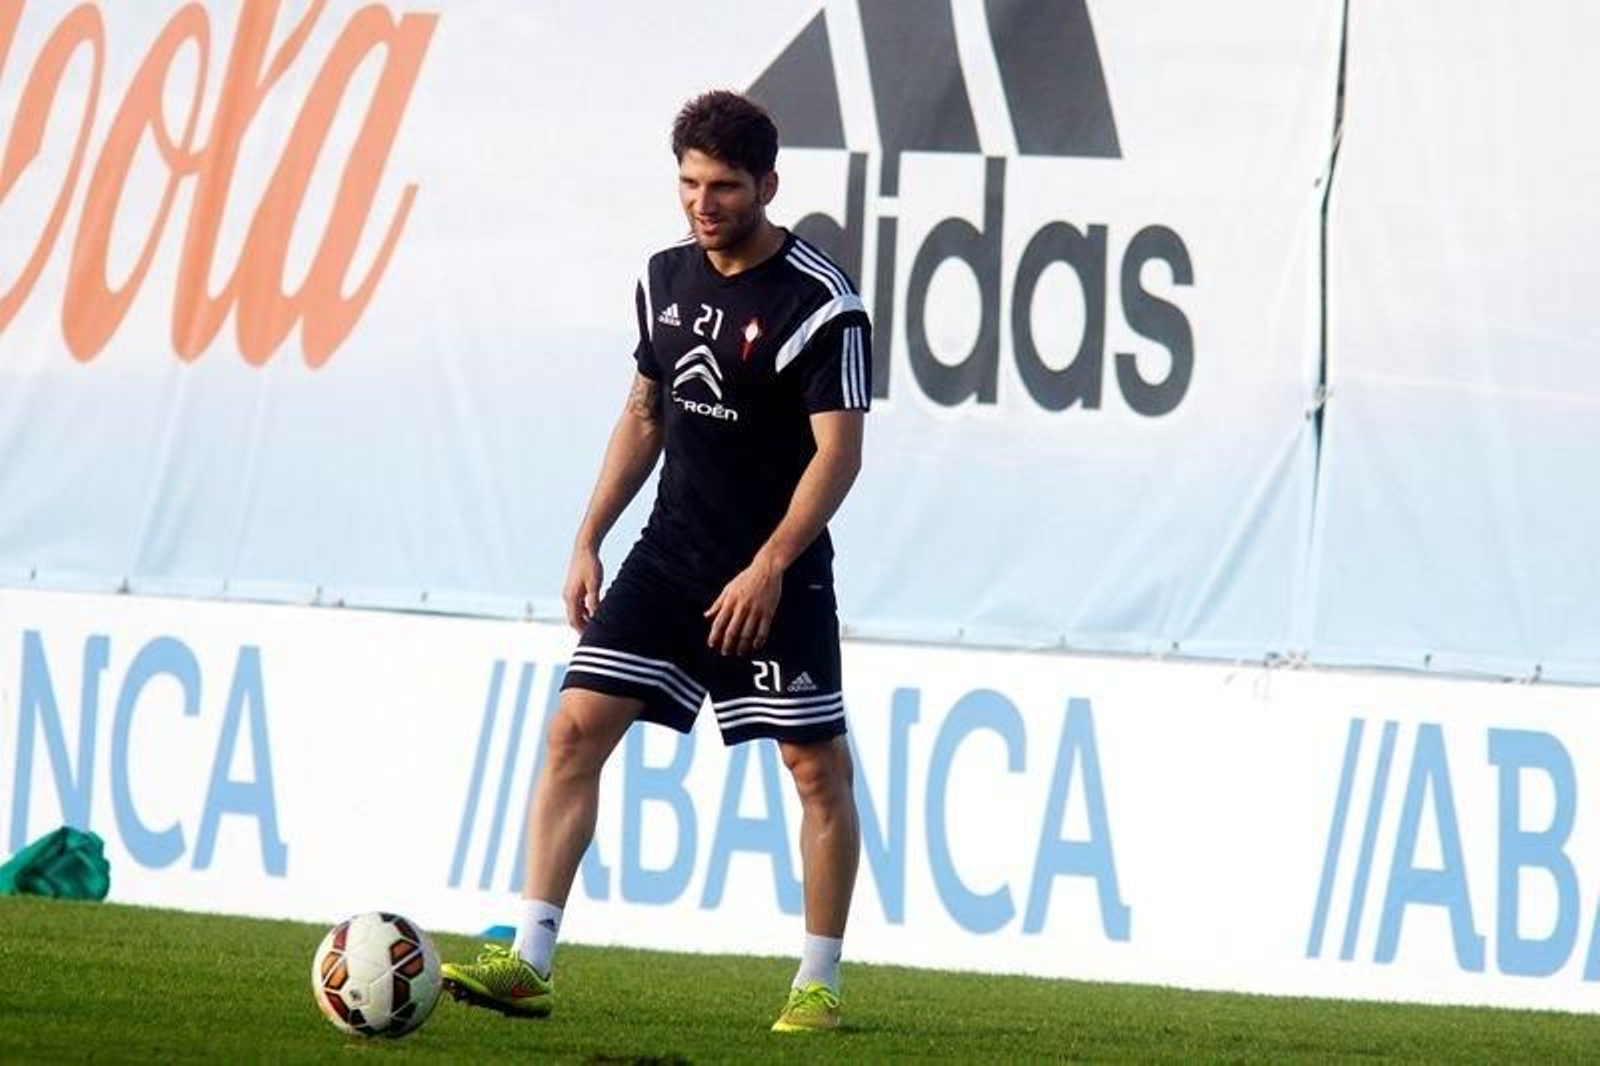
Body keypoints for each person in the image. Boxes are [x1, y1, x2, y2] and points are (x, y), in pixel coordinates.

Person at [441, 89, 871, 1034]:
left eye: (724, 187)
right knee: (572, 732)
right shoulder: (663, 277)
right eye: (689, 184)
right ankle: (530, 960)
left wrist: (769, 566)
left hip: (776, 575)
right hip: (668, 559)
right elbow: (645, 414)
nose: (702, 204)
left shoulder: (821, 301)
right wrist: (588, 537)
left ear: (768, 185)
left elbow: (838, 455)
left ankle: (819, 983)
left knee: (814, 768)